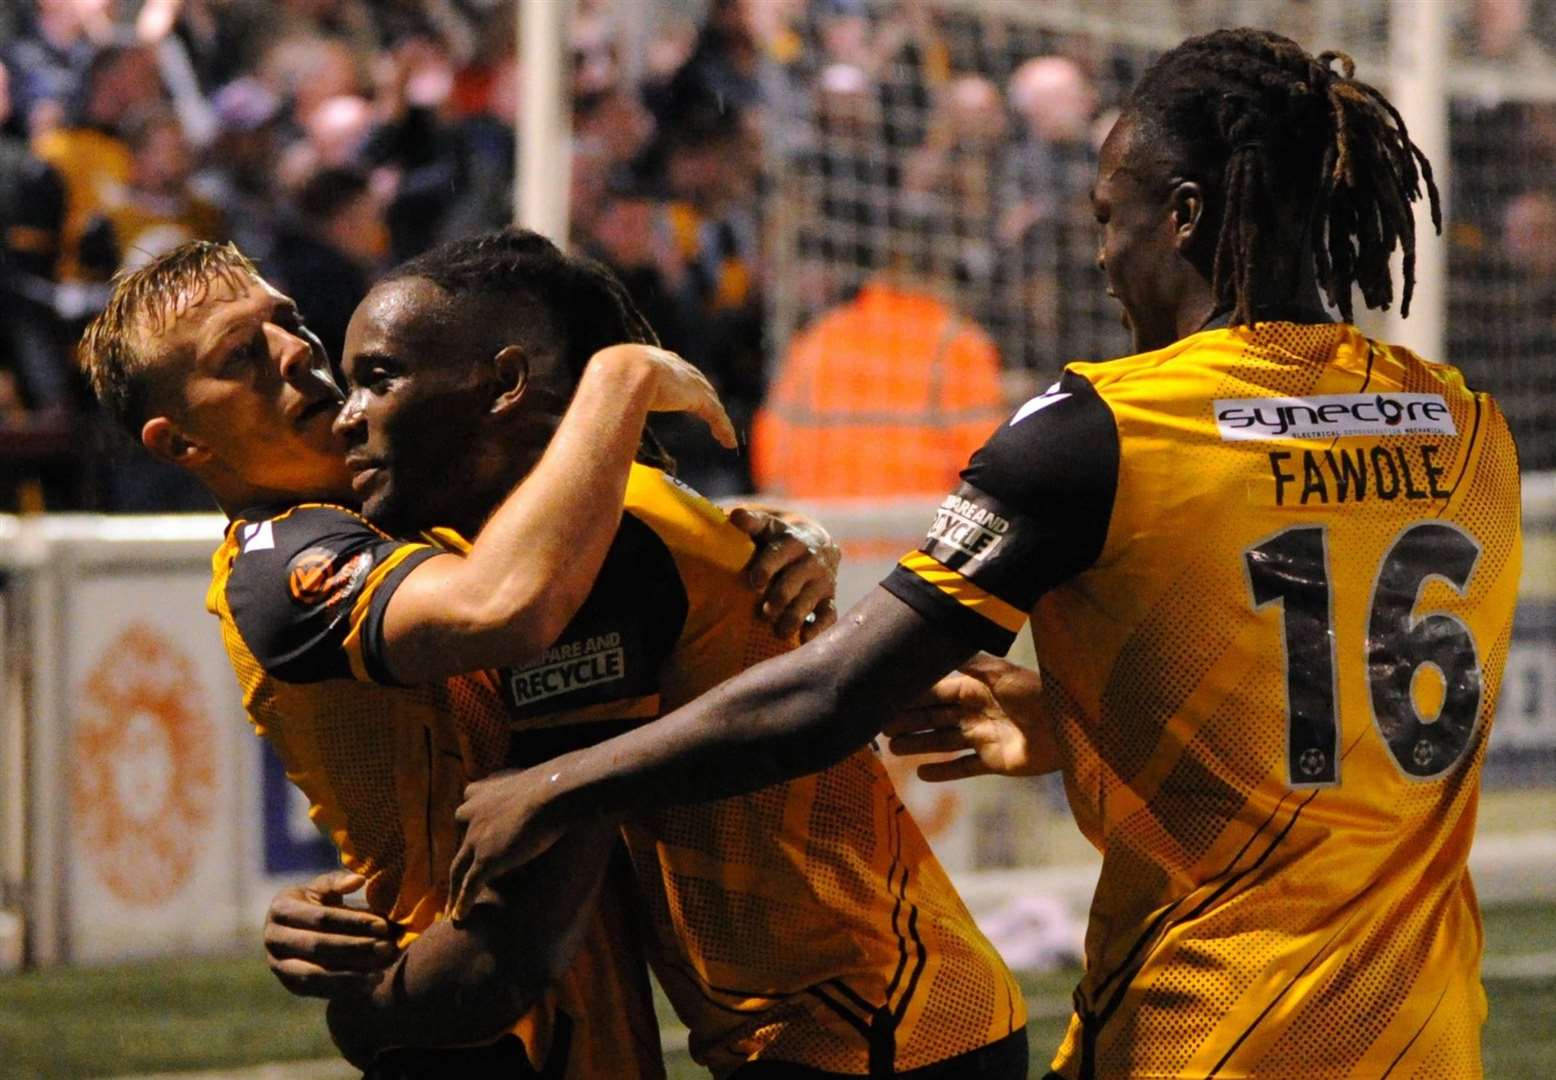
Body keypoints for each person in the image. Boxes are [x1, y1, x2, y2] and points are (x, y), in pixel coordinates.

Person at [450, 29, 1524, 1079]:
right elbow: (1352, 715)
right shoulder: (1463, 426)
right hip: (1422, 1032)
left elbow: (828, 698)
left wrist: (554, 786)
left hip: (1211, 1026)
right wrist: (1079, 721)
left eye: (1111, 218)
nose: (1101, 259)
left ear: (1183, 216)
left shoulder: (1106, 427)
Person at [76, 237, 836, 1078]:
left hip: (568, 991)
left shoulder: (395, 511)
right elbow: (503, 609)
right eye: (239, 356)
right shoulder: (283, 561)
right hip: (471, 1011)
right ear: (180, 444)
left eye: (285, 319)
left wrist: (785, 541)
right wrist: (615, 382)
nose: (295, 351)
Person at [294, 229, 1028, 1078]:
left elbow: (524, 928)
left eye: (379, 379)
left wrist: (368, 1017)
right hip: (878, 1019)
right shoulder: (560, 537)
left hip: (872, 1034)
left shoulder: (598, 550)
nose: (349, 415)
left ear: (503, 384)